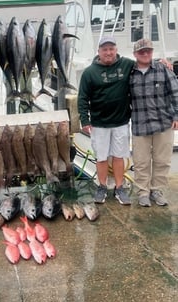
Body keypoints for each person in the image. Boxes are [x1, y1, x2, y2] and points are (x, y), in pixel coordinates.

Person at [78, 36, 133, 205]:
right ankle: (102, 187)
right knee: (101, 158)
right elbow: (82, 98)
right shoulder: (89, 72)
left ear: (116, 50)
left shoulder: (127, 64)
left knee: (118, 157)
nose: (108, 52)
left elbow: (146, 64)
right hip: (99, 123)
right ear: (99, 52)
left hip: (121, 122)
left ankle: (119, 188)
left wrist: (162, 63)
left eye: (111, 49)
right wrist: (85, 120)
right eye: (105, 49)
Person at [130, 38, 178, 207]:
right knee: (141, 162)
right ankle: (143, 191)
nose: (145, 54)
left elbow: (176, 92)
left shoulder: (163, 69)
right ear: (135, 54)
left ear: (152, 52)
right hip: (139, 124)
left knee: (162, 160)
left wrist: (177, 116)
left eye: (148, 51)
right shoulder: (129, 72)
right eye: (141, 51)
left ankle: (156, 190)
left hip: (164, 123)